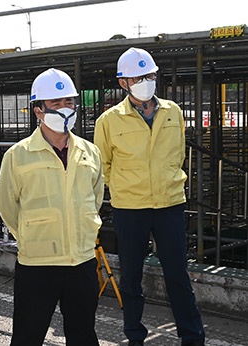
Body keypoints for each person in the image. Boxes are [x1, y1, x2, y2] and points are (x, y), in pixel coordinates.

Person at [94, 47, 205, 346]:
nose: (146, 81)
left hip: (170, 205)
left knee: (178, 275)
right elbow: (102, 165)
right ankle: (135, 336)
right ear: (123, 83)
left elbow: (177, 154)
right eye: (138, 77)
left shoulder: (173, 111)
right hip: (130, 208)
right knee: (131, 278)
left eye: (150, 75)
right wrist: (123, 189)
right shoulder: (109, 121)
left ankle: (193, 337)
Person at [0, 68, 103, 346]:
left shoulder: (90, 152)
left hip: (81, 260)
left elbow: (96, 197)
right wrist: (33, 237)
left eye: (69, 102)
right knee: (28, 335)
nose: (65, 109)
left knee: (83, 335)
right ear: (38, 111)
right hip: (38, 263)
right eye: (56, 104)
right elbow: (7, 206)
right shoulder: (18, 155)